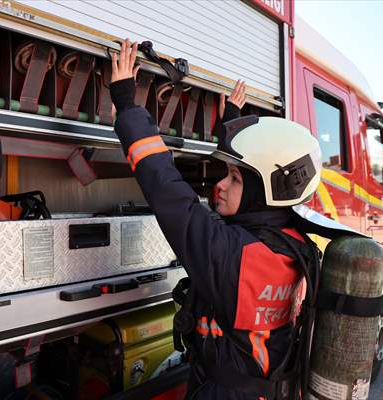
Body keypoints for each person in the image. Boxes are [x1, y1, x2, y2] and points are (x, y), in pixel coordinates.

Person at [109, 40, 323, 399]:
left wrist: (127, 106)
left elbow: (170, 194)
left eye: (235, 179)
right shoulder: (294, 243)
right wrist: (233, 129)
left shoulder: (235, 256)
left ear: (262, 192)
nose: (219, 186)